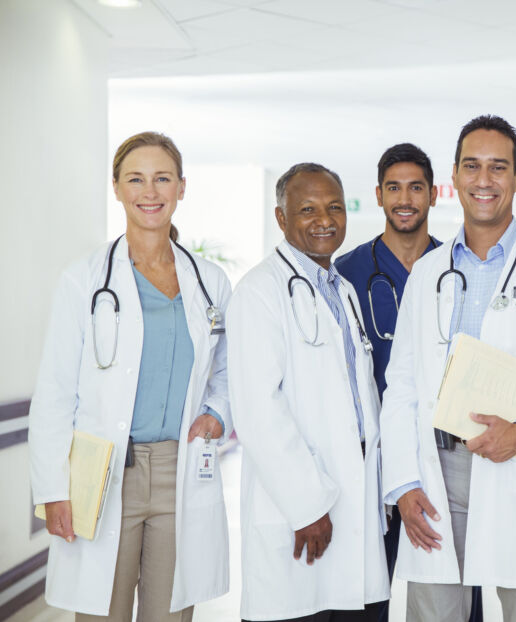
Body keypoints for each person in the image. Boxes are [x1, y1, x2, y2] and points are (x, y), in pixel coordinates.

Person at [380, 115, 516, 622]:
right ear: (453, 178)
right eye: (472, 167)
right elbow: (403, 386)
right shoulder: (427, 274)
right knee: (436, 613)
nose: (484, 180)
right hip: (439, 473)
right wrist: (404, 483)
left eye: (498, 167)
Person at [28, 131, 232, 620]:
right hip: (102, 473)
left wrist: (216, 413)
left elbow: (225, 371)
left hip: (178, 471)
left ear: (182, 187)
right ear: (116, 187)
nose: (150, 191)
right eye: (136, 179)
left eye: (162, 178)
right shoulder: (84, 279)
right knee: (103, 612)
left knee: (171, 612)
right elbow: (56, 389)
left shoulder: (210, 282)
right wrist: (54, 489)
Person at [227, 163, 390, 622]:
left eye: (335, 207)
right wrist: (306, 505)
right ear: (281, 219)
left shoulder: (342, 290)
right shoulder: (260, 292)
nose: (325, 219)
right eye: (308, 209)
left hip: (352, 500)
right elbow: (259, 411)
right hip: (301, 513)